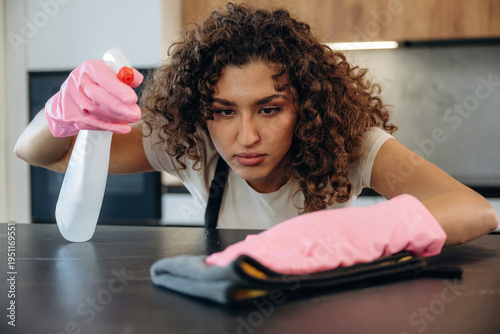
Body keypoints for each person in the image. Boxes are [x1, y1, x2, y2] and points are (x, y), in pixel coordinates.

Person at [14, 3, 497, 246]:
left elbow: (473, 210)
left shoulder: (350, 145)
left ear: (304, 106)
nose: (245, 137)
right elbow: (45, 155)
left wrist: (354, 234)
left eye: (269, 109)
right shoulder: (190, 143)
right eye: (224, 111)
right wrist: (60, 112)